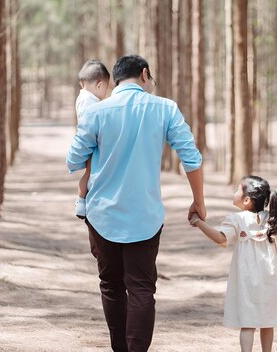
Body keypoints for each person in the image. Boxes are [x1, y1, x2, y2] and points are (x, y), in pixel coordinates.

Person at [66, 54, 206, 352]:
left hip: (102, 215)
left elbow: (73, 160)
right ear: (144, 74)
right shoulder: (165, 108)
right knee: (142, 288)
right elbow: (191, 158)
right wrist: (199, 202)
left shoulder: (97, 112)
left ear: (116, 80)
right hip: (146, 215)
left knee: (111, 285)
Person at [189, 175, 277, 352]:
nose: (234, 191)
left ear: (246, 200)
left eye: (237, 189)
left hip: (246, 279)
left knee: (248, 323)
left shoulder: (237, 219)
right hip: (271, 278)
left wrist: (198, 222)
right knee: (268, 322)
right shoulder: (273, 219)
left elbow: (220, 238)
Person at [74, 60, 110, 219]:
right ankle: (81, 201)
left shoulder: (84, 97)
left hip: (91, 141)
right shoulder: (89, 100)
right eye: (107, 88)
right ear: (99, 85)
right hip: (91, 143)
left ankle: (83, 201)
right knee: (89, 173)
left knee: (90, 173)